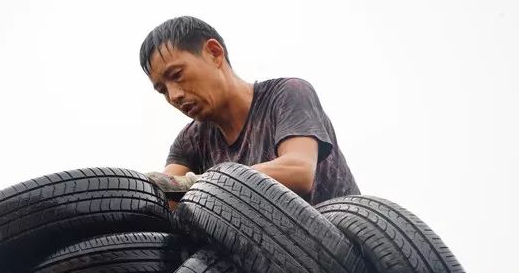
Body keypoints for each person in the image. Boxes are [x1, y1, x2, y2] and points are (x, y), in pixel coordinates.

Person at [142, 16, 360, 206]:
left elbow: (299, 171)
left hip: (338, 243)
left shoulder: (286, 94)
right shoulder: (190, 140)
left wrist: (196, 183)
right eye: (162, 90)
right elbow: (166, 196)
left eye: (177, 74)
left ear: (214, 53)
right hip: (259, 250)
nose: (174, 95)